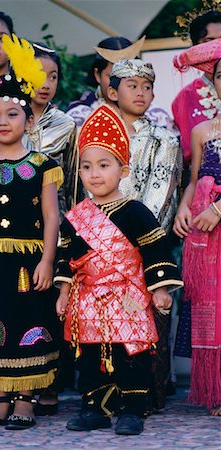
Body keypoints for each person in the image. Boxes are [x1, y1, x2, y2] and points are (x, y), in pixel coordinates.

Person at [54, 103, 183, 435]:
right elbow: (66, 256)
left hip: (127, 294)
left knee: (131, 350)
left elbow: (155, 249)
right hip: (87, 297)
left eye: (104, 165)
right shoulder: (76, 216)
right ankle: (93, 407)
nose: (94, 174)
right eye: (86, 167)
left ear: (123, 170)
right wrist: (64, 292)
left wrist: (160, 289)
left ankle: (132, 409)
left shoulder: (136, 211)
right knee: (89, 354)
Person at [0, 34, 63, 430]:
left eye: (13, 114)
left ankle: (25, 400)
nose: (3, 122)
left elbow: (52, 218)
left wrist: (48, 260)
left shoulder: (42, 165)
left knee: (26, 321)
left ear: (29, 120)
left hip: (28, 263)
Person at [106, 58, 182, 411]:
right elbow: (85, 187)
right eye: (132, 85)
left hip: (145, 246)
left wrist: (133, 243)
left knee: (148, 318)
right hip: (100, 246)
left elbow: (161, 195)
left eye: (147, 86)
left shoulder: (165, 137)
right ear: (112, 90)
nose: (141, 92)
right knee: (105, 322)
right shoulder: (98, 135)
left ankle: (148, 396)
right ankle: (105, 396)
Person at [173, 40, 221, 417]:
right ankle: (215, 389)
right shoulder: (202, 130)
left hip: (216, 216)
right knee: (210, 308)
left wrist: (219, 208)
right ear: (212, 83)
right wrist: (184, 208)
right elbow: (194, 178)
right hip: (204, 235)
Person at [22, 42, 77, 220]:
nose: (46, 84)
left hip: (57, 221)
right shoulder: (7, 120)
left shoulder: (66, 125)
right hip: (14, 221)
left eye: (53, 77)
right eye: (39, 75)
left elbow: (74, 184)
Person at [172, 7, 221, 167]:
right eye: (210, 41)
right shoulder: (185, 97)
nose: (217, 47)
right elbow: (189, 156)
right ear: (195, 46)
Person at [66, 36, 144, 128]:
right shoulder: (78, 116)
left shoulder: (156, 116)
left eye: (128, 77)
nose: (121, 85)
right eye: (113, 77)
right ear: (97, 75)